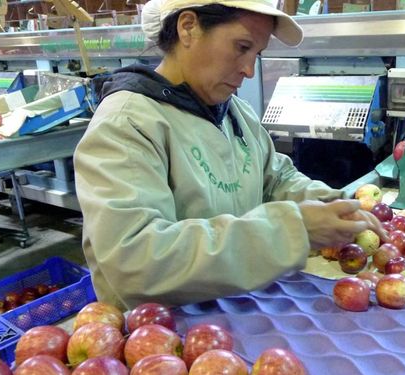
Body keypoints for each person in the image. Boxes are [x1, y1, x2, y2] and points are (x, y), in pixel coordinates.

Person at [73, 0, 387, 311]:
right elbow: (137, 261)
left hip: (235, 314)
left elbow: (276, 179)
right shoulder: (126, 125)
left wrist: (333, 204)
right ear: (188, 28)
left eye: (256, 54)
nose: (249, 70)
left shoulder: (235, 113)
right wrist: (294, 230)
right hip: (166, 339)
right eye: (241, 47)